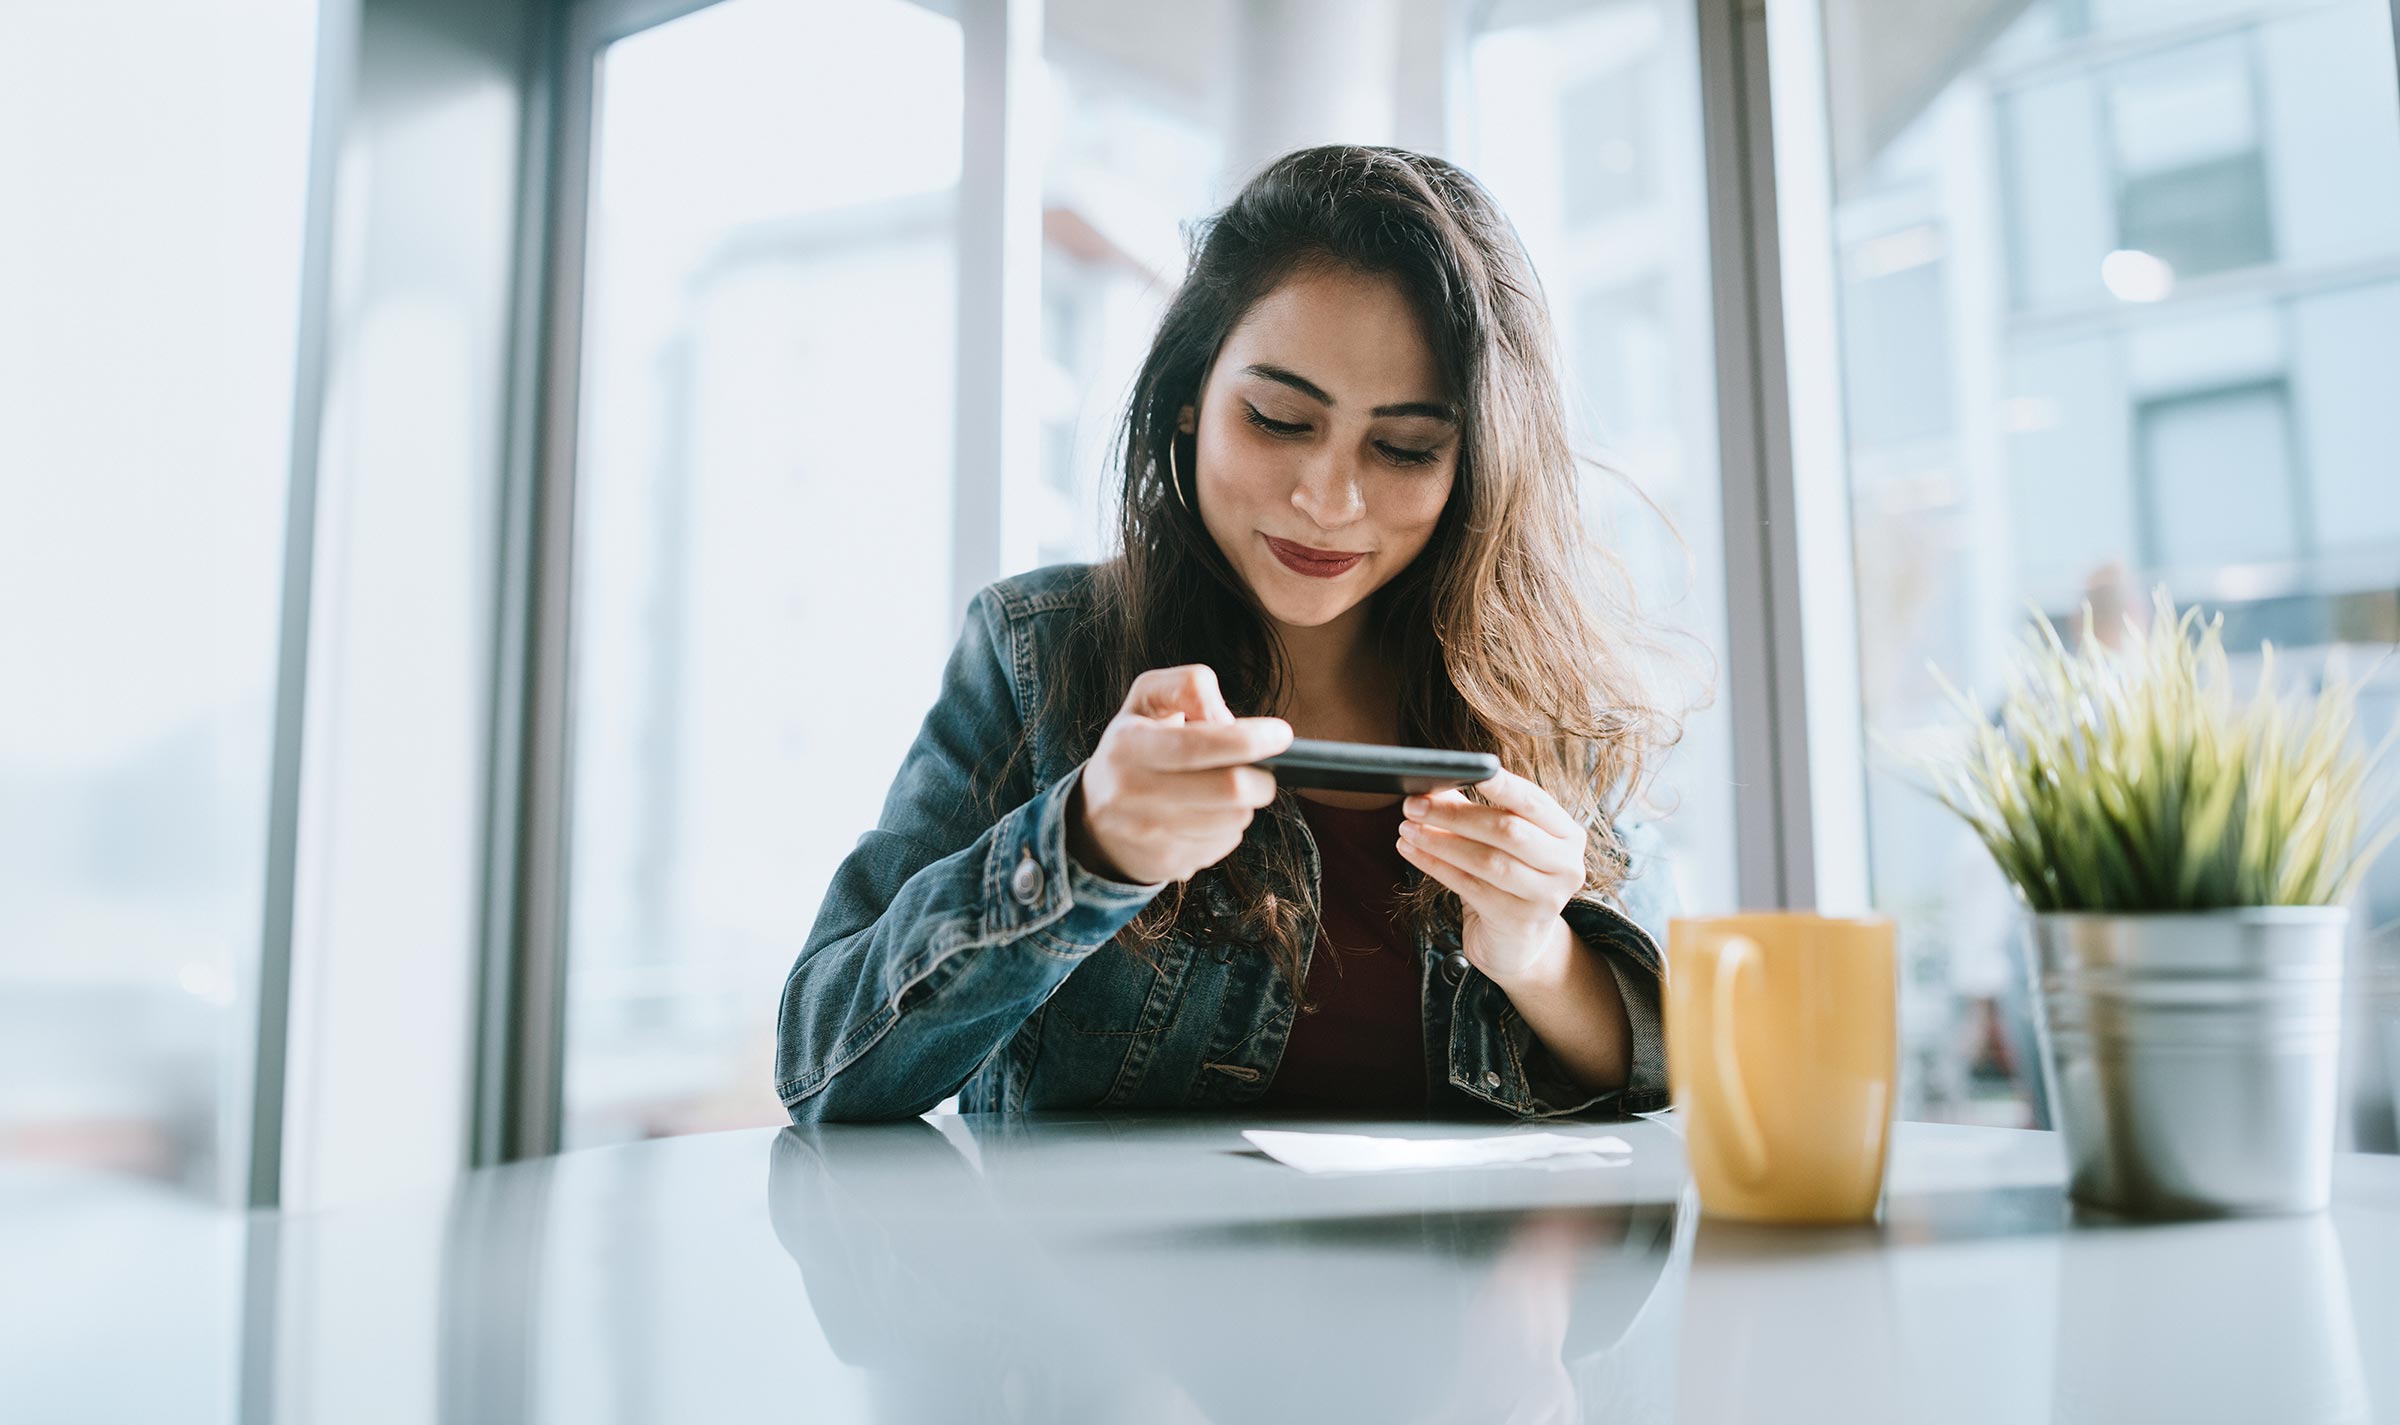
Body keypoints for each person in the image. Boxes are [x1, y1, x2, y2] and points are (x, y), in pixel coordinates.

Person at [775, 145, 1684, 1123]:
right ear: (1187, 401)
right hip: (1097, 1282)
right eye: (1277, 419)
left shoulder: (1543, 699)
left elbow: (1658, 1066)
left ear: (1477, 467)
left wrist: (1537, 952)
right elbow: (825, 1066)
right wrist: (1084, 845)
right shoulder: (1039, 653)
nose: (1327, 500)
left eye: (1405, 447)